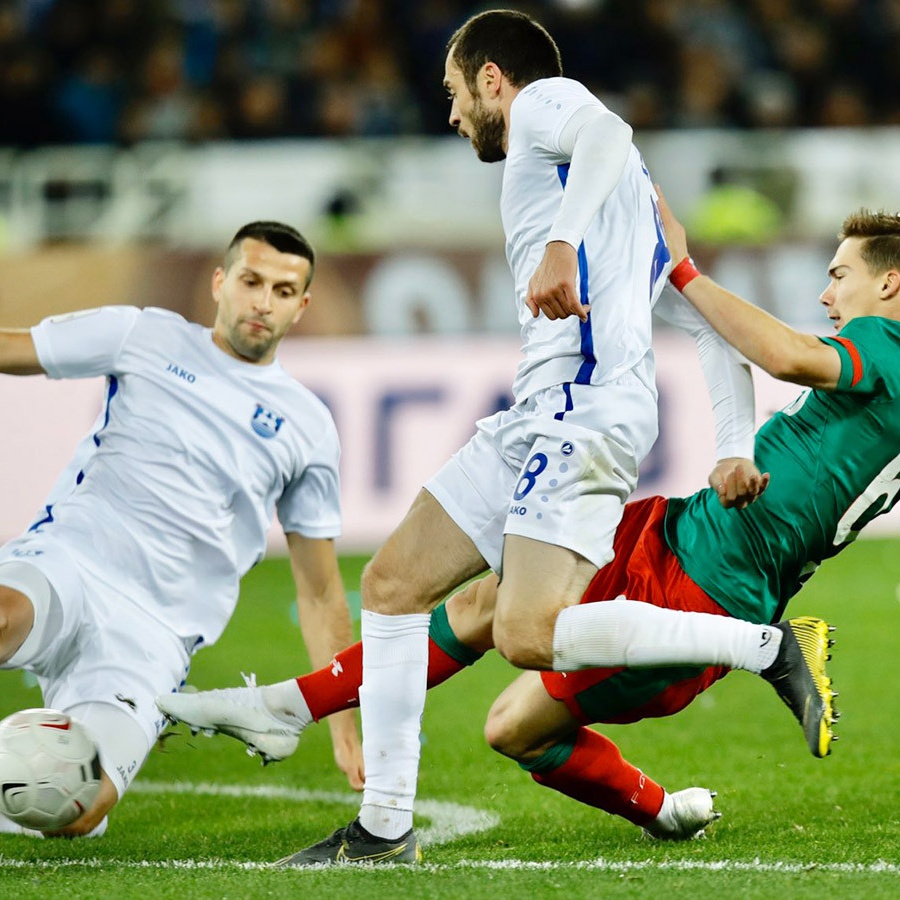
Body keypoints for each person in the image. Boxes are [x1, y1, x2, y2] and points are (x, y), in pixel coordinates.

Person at [158, 9, 785, 866]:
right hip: (543, 409)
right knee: (392, 584)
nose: (453, 115)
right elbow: (707, 323)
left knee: (527, 632)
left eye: (455, 92)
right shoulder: (639, 203)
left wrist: (559, 242)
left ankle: (761, 646)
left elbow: (608, 129)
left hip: (582, 407)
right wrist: (733, 442)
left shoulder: (546, 108)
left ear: (493, 79)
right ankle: (383, 826)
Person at [162, 196, 900, 857]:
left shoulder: (888, 349)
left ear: (889, 284)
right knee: (498, 667)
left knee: (502, 666)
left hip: (708, 586)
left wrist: (681, 271)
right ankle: (665, 811)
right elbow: (742, 346)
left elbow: (783, 354)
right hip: (683, 531)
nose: (826, 294)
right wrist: (734, 444)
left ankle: (764, 649)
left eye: (840, 276)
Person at [0, 221, 363, 837]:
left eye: (282, 291)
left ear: (301, 306)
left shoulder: (308, 427)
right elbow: (16, 348)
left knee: (78, 809)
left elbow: (321, 590)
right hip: (72, 562)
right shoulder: (144, 335)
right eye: (251, 281)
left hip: (153, 635)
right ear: (220, 282)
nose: (263, 302)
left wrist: (342, 724)